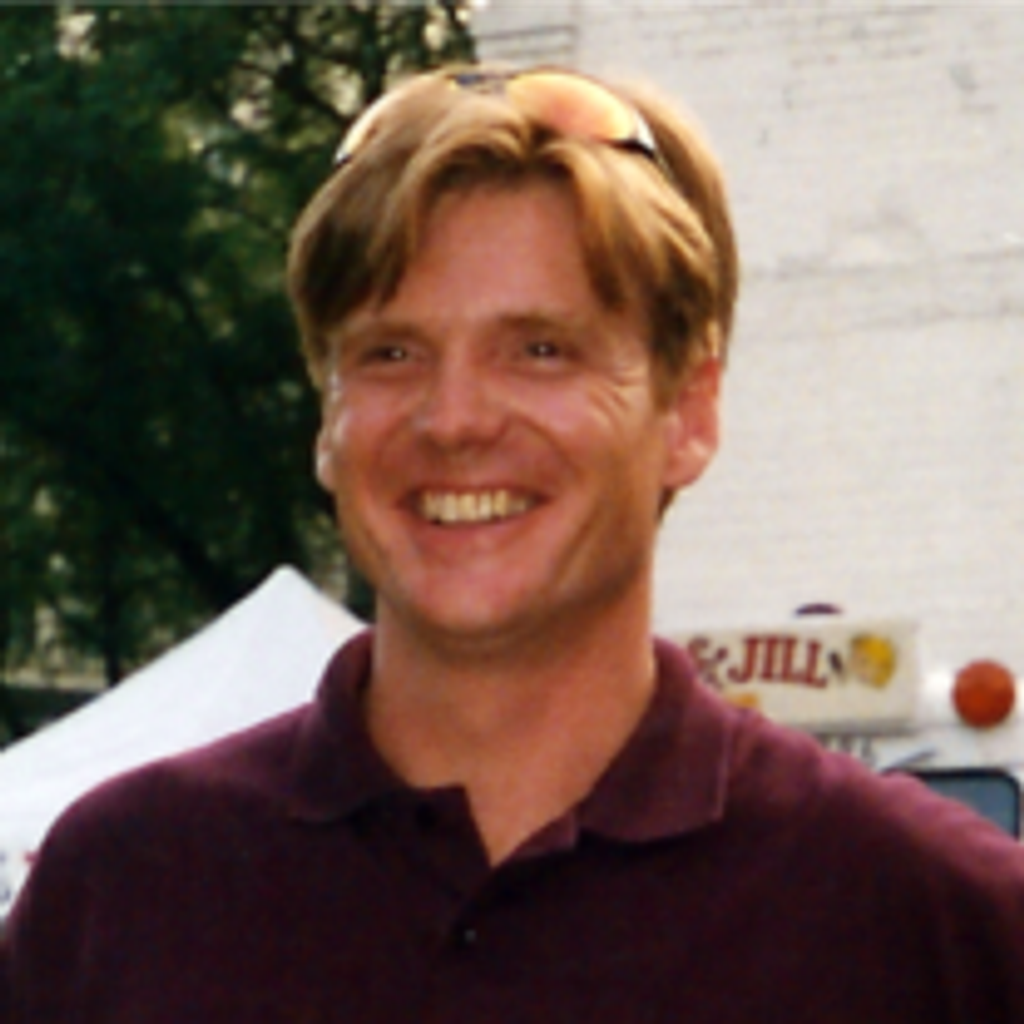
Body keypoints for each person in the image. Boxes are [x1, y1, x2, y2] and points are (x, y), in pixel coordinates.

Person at [2, 63, 1024, 1023]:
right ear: (326, 419)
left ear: (688, 412)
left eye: (540, 350)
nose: (454, 419)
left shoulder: (929, 922)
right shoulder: (123, 892)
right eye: (391, 354)